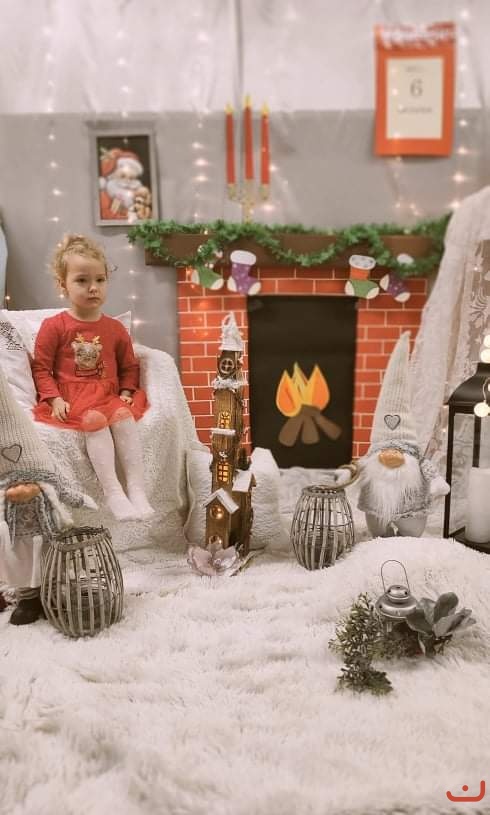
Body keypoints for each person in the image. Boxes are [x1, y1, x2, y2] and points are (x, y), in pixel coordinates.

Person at [31, 234, 154, 522]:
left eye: (100, 280)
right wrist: (54, 399)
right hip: (75, 398)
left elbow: (129, 366)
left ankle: (137, 489)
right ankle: (113, 492)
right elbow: (41, 368)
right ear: (63, 285)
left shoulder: (114, 329)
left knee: (122, 415)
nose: (93, 287)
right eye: (82, 280)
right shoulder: (55, 326)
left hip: (108, 396)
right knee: (95, 421)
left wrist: (127, 391)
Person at [357, 331, 449, 538]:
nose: (392, 454)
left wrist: (437, 482)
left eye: (400, 447)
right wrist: (349, 473)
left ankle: (408, 532)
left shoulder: (417, 458)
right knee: (378, 531)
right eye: (386, 448)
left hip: (411, 509)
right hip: (377, 509)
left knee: (412, 533)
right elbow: (358, 467)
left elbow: (429, 470)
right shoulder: (372, 457)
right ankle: (382, 532)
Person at [98, 148, 152, 223]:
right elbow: (106, 216)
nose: (127, 181)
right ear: (113, 175)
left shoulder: (138, 191)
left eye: (131, 178)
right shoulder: (107, 192)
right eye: (123, 176)